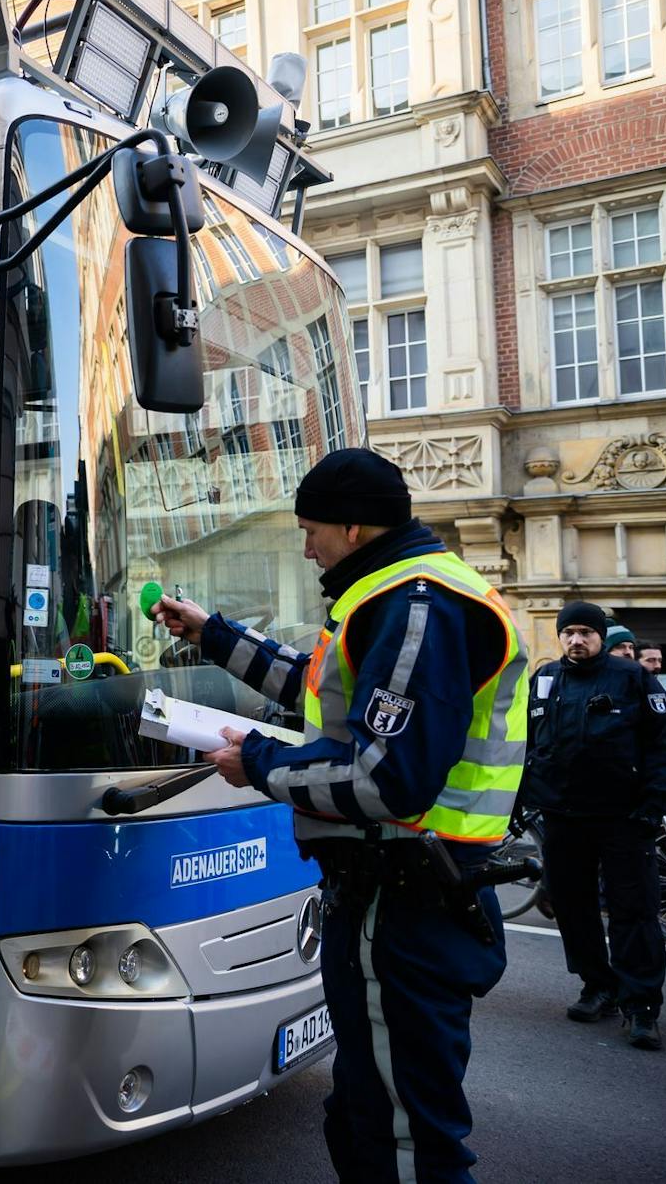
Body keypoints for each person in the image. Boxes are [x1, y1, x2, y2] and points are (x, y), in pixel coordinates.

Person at [153, 448, 528, 1184]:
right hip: (393, 893)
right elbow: (320, 682)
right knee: (362, 1117)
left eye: (311, 528)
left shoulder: (415, 604)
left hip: (405, 898)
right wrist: (213, 635)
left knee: (403, 1140)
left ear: (354, 527)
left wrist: (255, 762)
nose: (305, 545)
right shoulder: (390, 590)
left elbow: (386, 778)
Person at [521, 600, 666, 1051]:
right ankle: (598, 987)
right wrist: (521, 797)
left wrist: (653, 805)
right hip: (562, 817)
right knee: (573, 909)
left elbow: (665, 744)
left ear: (600, 636)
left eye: (585, 633)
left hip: (624, 819)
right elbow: (528, 741)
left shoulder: (632, 678)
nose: (576, 640)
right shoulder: (546, 678)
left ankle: (641, 1008)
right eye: (568, 632)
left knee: (634, 912)